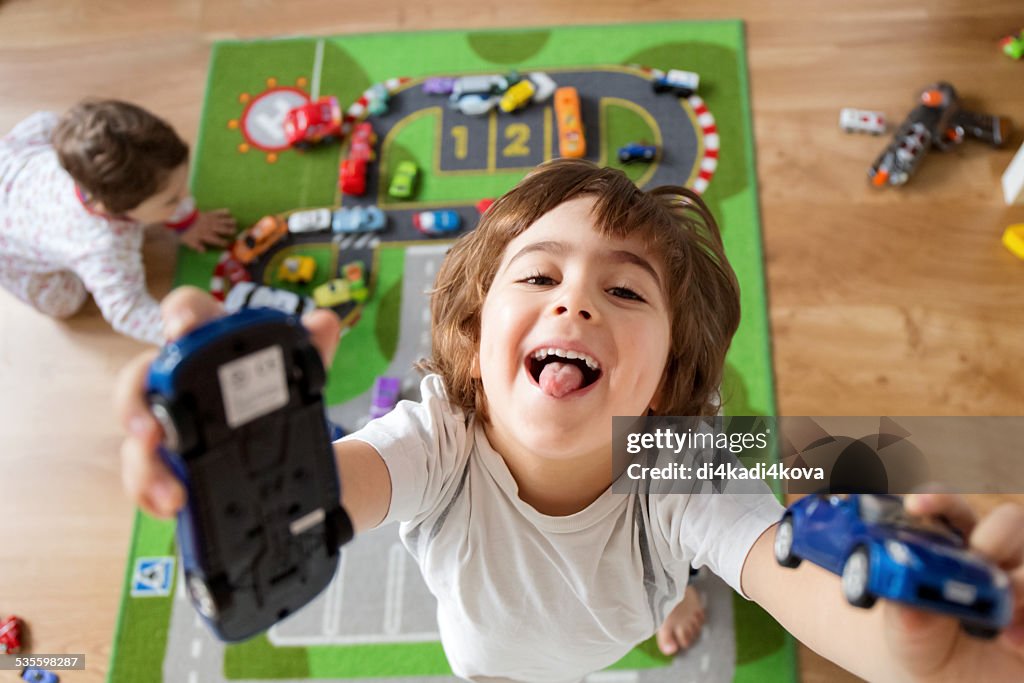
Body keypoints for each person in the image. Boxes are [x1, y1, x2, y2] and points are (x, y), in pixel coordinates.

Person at [115, 160, 1024, 682]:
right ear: (473, 345)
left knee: (714, 538)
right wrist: (236, 462)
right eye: (539, 276)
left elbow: (790, 574)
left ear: (668, 381)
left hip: (639, 577)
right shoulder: (436, 435)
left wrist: (930, 659)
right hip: (485, 656)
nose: (576, 300)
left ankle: (680, 587)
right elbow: (316, 494)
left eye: (624, 288)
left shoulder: (683, 460)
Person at [0, 99, 237, 345]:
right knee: (64, 302)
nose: (187, 197)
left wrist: (186, 223)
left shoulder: (73, 143)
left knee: (46, 123)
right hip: (12, 247)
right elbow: (128, 312)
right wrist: (183, 331)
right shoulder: (104, 247)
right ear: (115, 211)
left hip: (13, 163)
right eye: (172, 200)